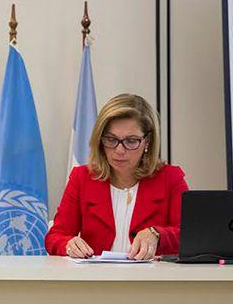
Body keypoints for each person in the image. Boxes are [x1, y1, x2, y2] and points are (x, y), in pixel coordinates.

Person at [45, 94, 188, 260]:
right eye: (111, 139)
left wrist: (158, 234)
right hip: (97, 281)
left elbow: (191, 235)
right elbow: (55, 236)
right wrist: (68, 244)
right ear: (100, 140)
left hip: (152, 281)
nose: (119, 150)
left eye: (131, 141)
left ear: (147, 142)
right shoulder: (82, 178)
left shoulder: (170, 178)